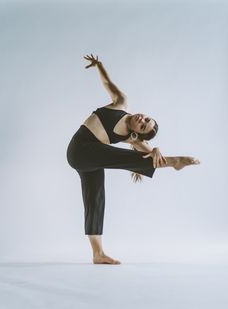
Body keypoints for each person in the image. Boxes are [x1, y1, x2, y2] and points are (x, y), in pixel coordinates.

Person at [66, 54, 200, 265]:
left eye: (143, 126)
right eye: (146, 118)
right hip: (78, 150)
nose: (142, 120)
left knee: (95, 200)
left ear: (138, 133)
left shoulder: (131, 137)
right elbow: (108, 83)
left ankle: (97, 254)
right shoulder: (121, 103)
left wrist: (155, 149)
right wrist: (99, 65)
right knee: (121, 157)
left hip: (91, 158)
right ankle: (175, 162)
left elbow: (144, 153)